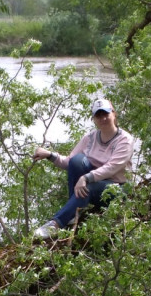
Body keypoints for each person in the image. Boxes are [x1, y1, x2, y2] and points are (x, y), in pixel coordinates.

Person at [32, 98, 134, 238]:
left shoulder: (125, 139)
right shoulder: (90, 137)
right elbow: (70, 162)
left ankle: (56, 224)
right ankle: (74, 213)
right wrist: (49, 155)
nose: (103, 118)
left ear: (113, 114)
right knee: (77, 161)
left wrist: (85, 178)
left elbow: (112, 167)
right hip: (93, 182)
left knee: (89, 187)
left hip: (117, 188)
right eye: (98, 115)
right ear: (93, 119)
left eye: (106, 114)